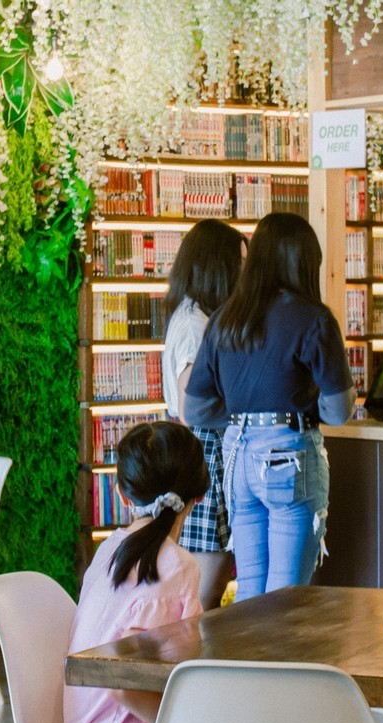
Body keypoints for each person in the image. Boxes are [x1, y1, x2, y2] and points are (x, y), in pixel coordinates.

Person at [183, 212, 355, 601]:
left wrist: (247, 417)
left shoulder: (225, 318)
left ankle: (243, 663)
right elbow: (338, 411)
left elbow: (193, 409)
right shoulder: (313, 319)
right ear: (305, 262)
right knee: (286, 596)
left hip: (237, 457)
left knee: (250, 590)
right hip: (288, 457)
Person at [64, 421, 209, 723]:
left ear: (122, 494)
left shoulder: (108, 551)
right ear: (198, 495)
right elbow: (121, 685)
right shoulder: (180, 568)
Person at [163, 218, 246, 609]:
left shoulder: (193, 316)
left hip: (203, 452)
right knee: (205, 589)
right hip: (206, 453)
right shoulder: (196, 325)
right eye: (240, 266)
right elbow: (190, 406)